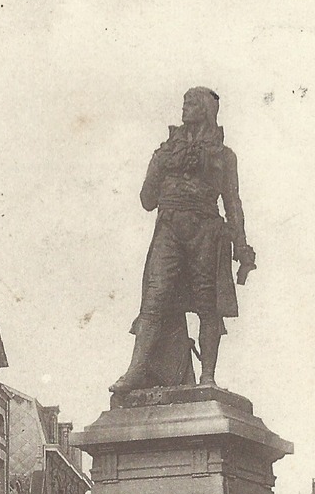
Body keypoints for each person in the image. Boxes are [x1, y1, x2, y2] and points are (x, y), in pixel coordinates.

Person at [110, 86, 256, 395]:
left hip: (206, 230)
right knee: (154, 297)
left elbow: (233, 202)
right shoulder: (165, 152)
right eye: (184, 104)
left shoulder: (224, 156)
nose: (184, 109)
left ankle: (208, 376)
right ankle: (136, 370)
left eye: (190, 104)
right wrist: (159, 167)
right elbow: (147, 200)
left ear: (205, 110)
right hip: (170, 228)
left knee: (208, 305)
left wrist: (241, 246)